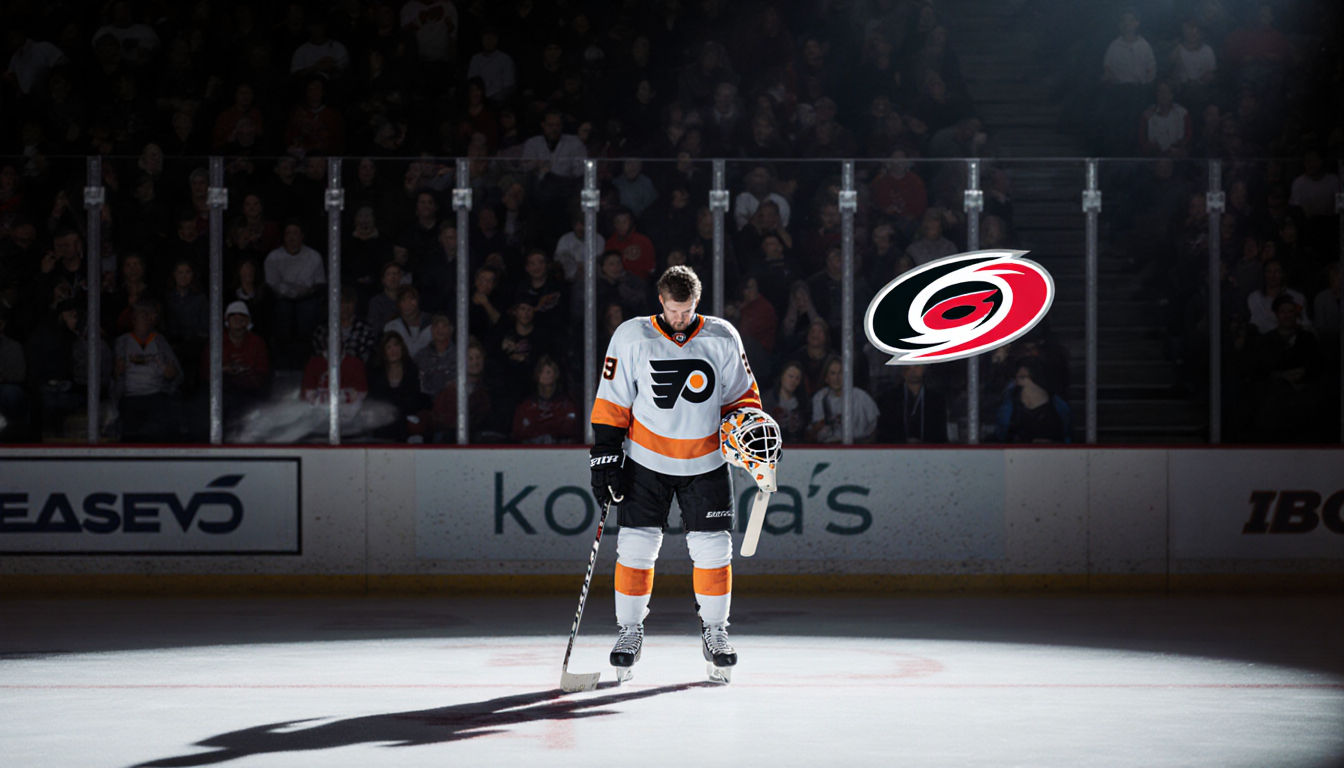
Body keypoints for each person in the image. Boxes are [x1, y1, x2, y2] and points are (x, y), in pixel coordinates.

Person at [590, 266, 764, 683]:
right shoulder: (632, 337)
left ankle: (715, 631)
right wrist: (605, 455)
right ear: (660, 302)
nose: (680, 319)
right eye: (673, 310)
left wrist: (750, 430)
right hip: (647, 461)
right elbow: (612, 401)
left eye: (687, 311)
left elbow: (743, 398)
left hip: (707, 462)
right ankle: (629, 631)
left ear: (696, 303)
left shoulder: (722, 336)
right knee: (635, 547)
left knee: (713, 551)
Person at [995, 358, 1072, 443]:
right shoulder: (1010, 402)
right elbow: (1002, 433)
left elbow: (1067, 436)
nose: (1018, 381)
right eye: (1017, 377)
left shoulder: (1058, 405)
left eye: (1023, 377)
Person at [806, 355, 880, 443]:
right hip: (828, 448)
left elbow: (875, 428)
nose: (837, 378)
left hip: (859, 446)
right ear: (826, 378)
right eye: (833, 373)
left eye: (840, 373)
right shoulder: (820, 397)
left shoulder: (862, 397)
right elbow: (812, 432)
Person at [512, 355, 581, 444]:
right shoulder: (526, 407)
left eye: (549, 371)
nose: (545, 375)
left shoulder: (567, 406)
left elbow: (572, 431)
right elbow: (519, 433)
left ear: (556, 374)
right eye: (542, 371)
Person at [877, 364, 948, 443]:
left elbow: (940, 435)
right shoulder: (888, 399)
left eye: (917, 366)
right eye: (908, 368)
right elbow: (884, 433)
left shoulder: (936, 400)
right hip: (896, 451)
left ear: (924, 368)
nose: (913, 371)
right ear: (903, 371)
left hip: (929, 452)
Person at [761, 359, 809, 443]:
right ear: (782, 376)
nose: (793, 381)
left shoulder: (803, 403)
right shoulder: (767, 400)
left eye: (797, 378)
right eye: (790, 376)